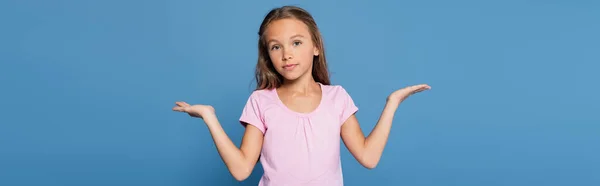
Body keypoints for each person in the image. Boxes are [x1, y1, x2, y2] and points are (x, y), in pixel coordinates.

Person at [172, 5, 430, 186]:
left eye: (296, 42)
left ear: (316, 46)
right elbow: (241, 171)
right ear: (268, 55)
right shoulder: (261, 101)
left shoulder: (337, 98)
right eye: (276, 46)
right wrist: (210, 117)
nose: (287, 54)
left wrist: (392, 104)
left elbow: (369, 157)